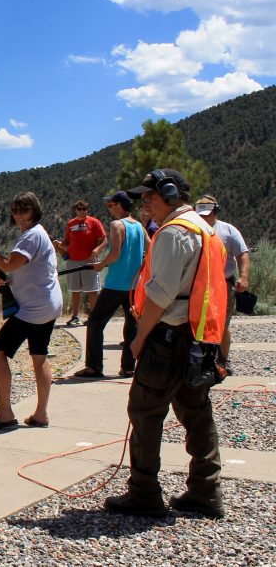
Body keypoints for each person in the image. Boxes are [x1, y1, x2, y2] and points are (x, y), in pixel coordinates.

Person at [105, 169, 228, 519]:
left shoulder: (174, 233)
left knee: (145, 412)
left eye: (150, 196)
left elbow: (160, 294)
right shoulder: (206, 229)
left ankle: (144, 493)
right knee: (197, 413)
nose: (145, 203)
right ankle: (206, 491)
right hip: (197, 338)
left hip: (168, 336)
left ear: (171, 195)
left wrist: (139, 339)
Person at [0, 192, 62, 429]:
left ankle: (4, 414)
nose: (19, 215)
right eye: (15, 210)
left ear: (34, 211)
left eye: (24, 210)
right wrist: (9, 281)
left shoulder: (31, 237)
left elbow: (7, 264)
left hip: (33, 309)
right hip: (48, 304)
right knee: (39, 355)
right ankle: (41, 414)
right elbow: (24, 269)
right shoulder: (38, 233)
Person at [72, 192, 146, 378]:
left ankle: (94, 367)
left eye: (111, 205)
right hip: (134, 285)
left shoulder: (116, 225)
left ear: (120, 205)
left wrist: (100, 265)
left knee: (95, 323)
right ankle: (128, 367)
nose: (109, 209)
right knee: (131, 326)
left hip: (115, 283)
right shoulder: (138, 226)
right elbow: (151, 247)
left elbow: (115, 254)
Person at [194, 195, 250, 375]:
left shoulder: (228, 230)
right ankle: (199, 360)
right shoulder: (192, 230)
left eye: (207, 213)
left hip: (223, 285)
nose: (203, 217)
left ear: (215, 211)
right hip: (198, 285)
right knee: (197, 323)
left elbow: (242, 253)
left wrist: (243, 277)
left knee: (222, 325)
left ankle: (223, 361)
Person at [53, 200, 107, 326]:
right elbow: (68, 239)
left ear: (87, 210)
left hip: (89, 261)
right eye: (79, 209)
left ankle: (94, 317)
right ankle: (75, 316)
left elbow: (104, 239)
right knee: (74, 290)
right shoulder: (71, 224)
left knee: (92, 290)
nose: (82, 211)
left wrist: (97, 250)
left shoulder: (94, 222)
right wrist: (60, 244)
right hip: (73, 261)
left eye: (84, 209)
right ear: (75, 210)